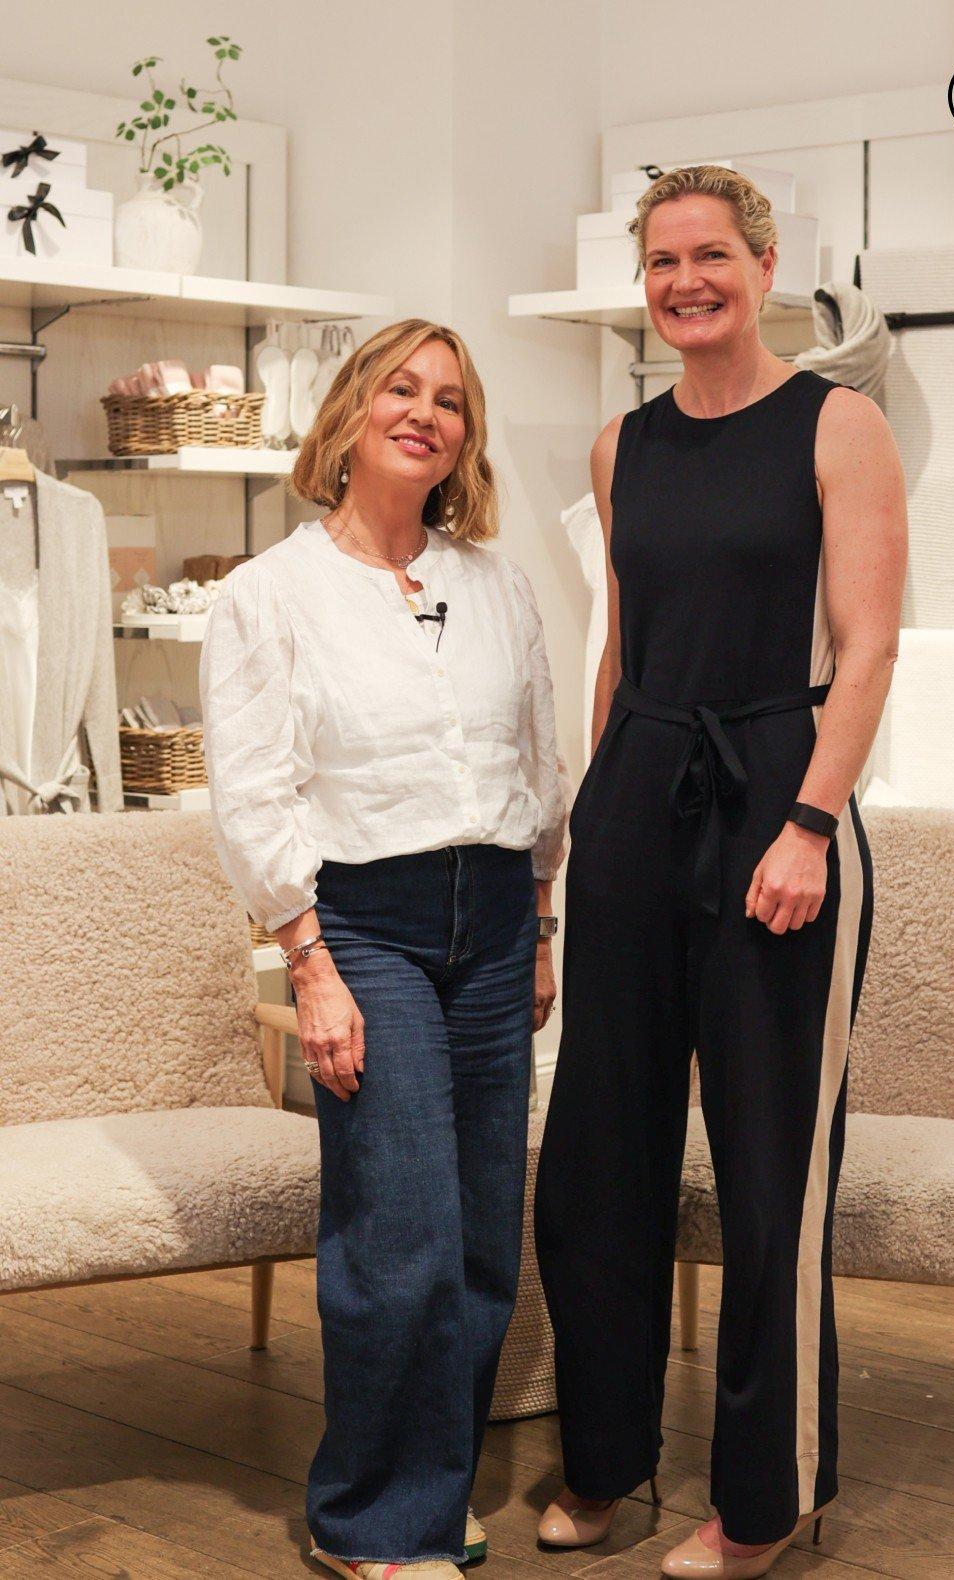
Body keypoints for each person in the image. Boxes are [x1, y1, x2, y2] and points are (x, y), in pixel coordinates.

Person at [534, 166, 907, 1578]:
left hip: (777, 791)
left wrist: (808, 823)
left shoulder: (837, 422)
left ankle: (766, 1499)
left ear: (763, 268)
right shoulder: (620, 446)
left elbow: (865, 648)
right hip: (637, 792)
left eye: (711, 256)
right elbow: (619, 651)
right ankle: (604, 1461)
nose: (685, 281)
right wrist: (590, 826)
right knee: (594, 1166)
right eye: (661, 262)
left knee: (766, 1182)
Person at [199, 318, 571, 1580]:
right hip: (364, 924)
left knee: (477, 1233)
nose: (426, 414)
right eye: (401, 390)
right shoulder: (272, 594)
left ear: (466, 436)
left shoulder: (498, 582)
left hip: (497, 910)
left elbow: (536, 760)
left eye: (450, 401)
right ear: (352, 411)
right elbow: (255, 792)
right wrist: (308, 959)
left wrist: (541, 921)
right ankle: (369, 1519)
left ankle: (431, 1483)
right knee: (396, 1228)